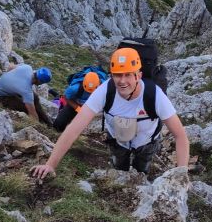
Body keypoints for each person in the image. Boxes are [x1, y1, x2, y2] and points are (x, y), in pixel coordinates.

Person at [31, 48, 189, 179]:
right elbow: (73, 129)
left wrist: (182, 175)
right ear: (111, 75)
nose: (122, 81)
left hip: (146, 143)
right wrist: (50, 165)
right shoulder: (105, 91)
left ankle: (141, 180)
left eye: (128, 74)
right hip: (118, 140)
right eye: (118, 75)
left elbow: (180, 135)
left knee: (141, 170)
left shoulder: (154, 95)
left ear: (138, 75)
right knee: (119, 171)